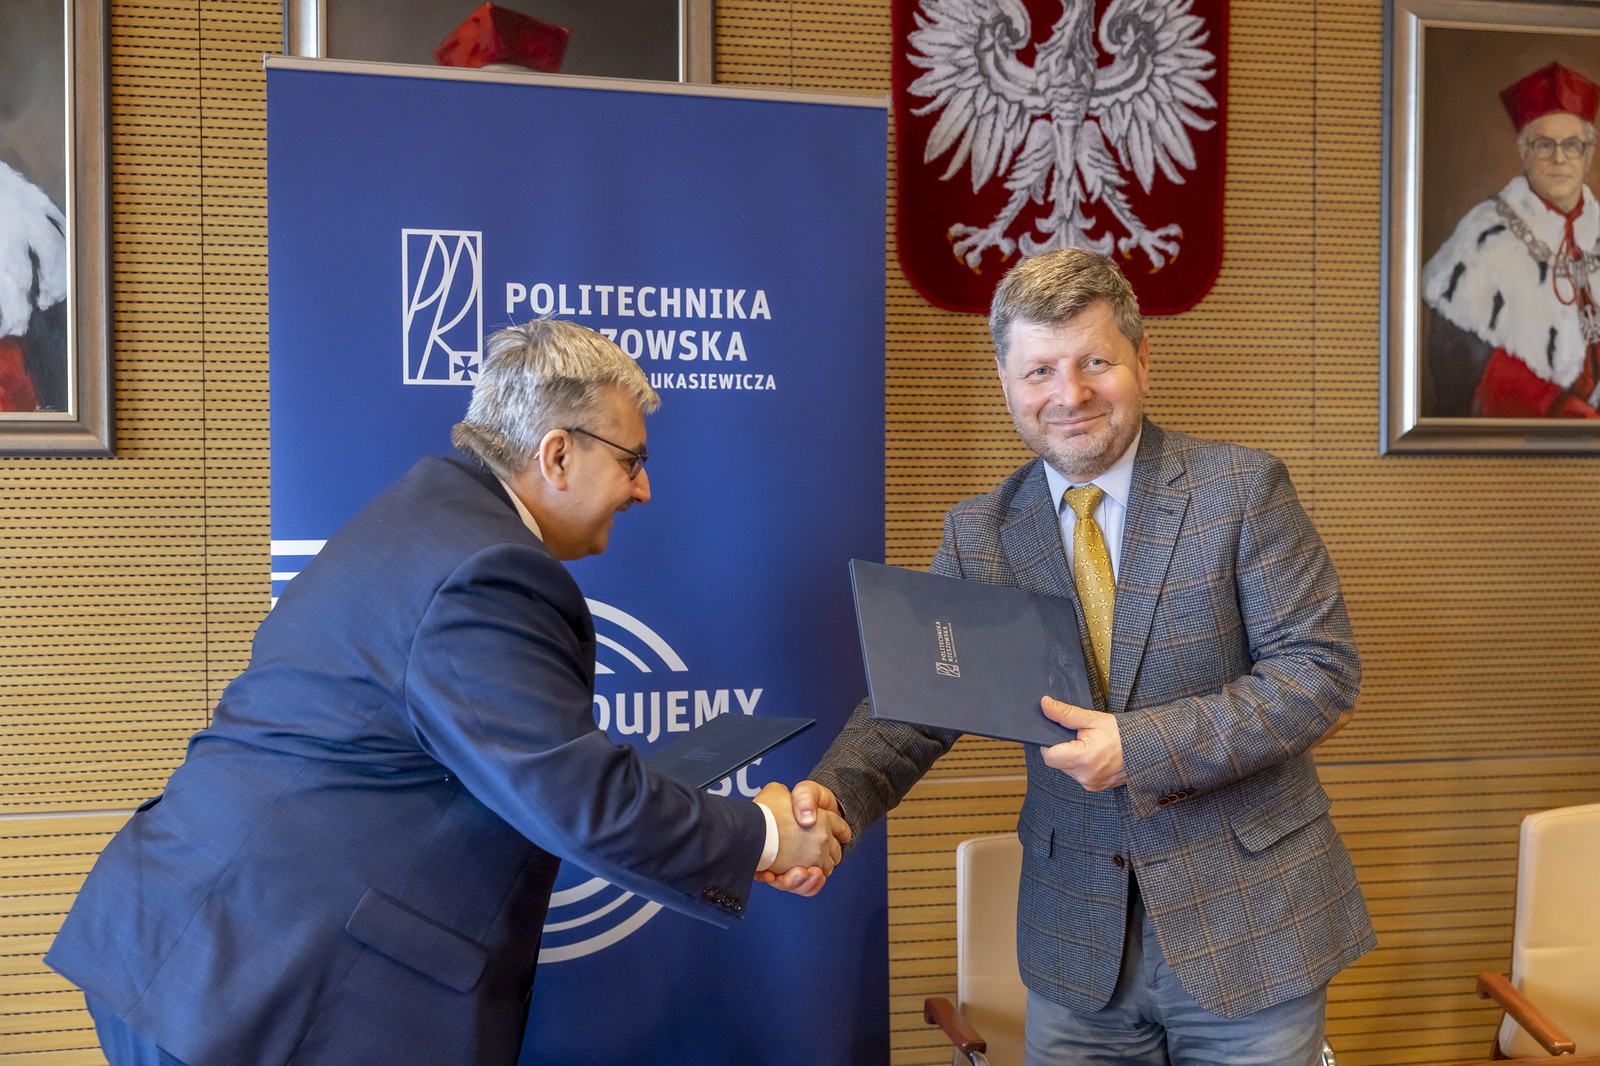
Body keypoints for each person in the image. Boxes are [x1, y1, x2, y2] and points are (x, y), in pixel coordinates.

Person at [45, 319, 848, 1066]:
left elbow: (528, 777)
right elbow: (579, 801)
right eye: (631, 462)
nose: (642, 491)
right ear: (557, 455)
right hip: (253, 981)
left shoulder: (430, 514)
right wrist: (764, 836)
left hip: (198, 943)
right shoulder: (489, 569)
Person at [765, 249, 1375, 1064]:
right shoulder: (981, 532)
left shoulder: (1241, 491)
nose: (1070, 394)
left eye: (1095, 362)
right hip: (1076, 944)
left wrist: (1141, 746)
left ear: (1142, 361)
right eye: (1040, 370)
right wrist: (832, 801)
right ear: (1006, 382)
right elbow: (916, 702)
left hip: (1253, 931)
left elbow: (1319, 672)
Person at [1422, 61, 1600, 418]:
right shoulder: (1484, 236)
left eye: (1572, 145)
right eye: (1544, 145)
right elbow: (1458, 371)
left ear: (1588, 154)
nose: (1559, 158)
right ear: (1524, 152)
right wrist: (1562, 411)